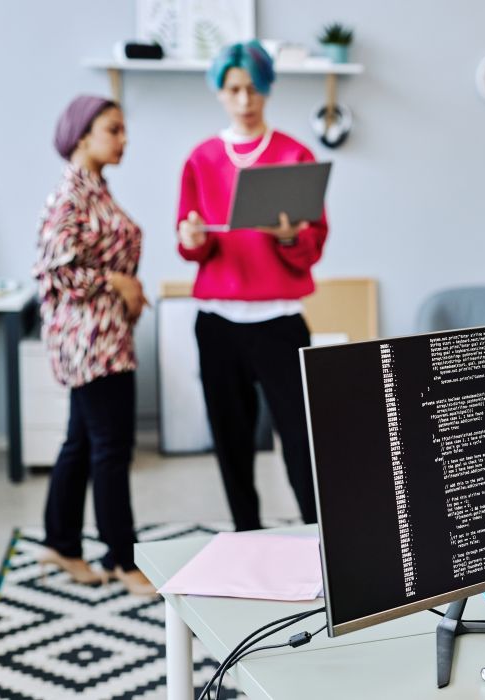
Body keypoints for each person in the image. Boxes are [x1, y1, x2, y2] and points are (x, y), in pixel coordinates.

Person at [176, 41, 328, 530]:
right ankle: (246, 536)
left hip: (280, 321)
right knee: (231, 440)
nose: (245, 99)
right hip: (217, 322)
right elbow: (190, 245)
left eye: (254, 88)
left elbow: (314, 243)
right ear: (220, 92)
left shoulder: (294, 154)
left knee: (302, 439)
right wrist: (192, 238)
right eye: (234, 89)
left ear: (267, 90)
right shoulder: (200, 159)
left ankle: (318, 538)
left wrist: (289, 236)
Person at [33, 95, 155, 595]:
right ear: (83, 134)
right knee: (111, 447)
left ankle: (61, 543)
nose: (123, 139)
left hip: (106, 335)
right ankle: (122, 561)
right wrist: (116, 284)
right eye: (113, 129)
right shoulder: (71, 193)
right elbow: (53, 269)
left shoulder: (96, 189)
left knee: (82, 442)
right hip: (90, 341)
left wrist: (125, 288)